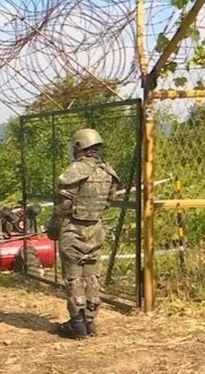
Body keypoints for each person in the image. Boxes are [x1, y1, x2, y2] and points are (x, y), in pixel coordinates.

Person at [46, 128, 119, 340]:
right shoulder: (108, 172)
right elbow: (108, 202)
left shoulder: (75, 170)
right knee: (92, 275)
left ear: (79, 146)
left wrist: (53, 229)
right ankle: (90, 321)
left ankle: (77, 325)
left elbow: (63, 205)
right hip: (96, 229)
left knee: (74, 277)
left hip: (73, 230)